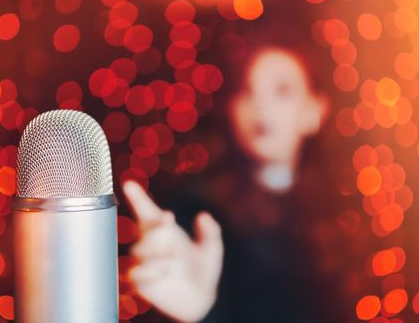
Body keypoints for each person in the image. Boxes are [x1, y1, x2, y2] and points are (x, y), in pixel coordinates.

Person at [122, 45, 349, 322]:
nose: (260, 105)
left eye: (282, 90)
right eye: (246, 90)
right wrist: (198, 311)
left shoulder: (346, 213)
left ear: (315, 110)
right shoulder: (197, 209)